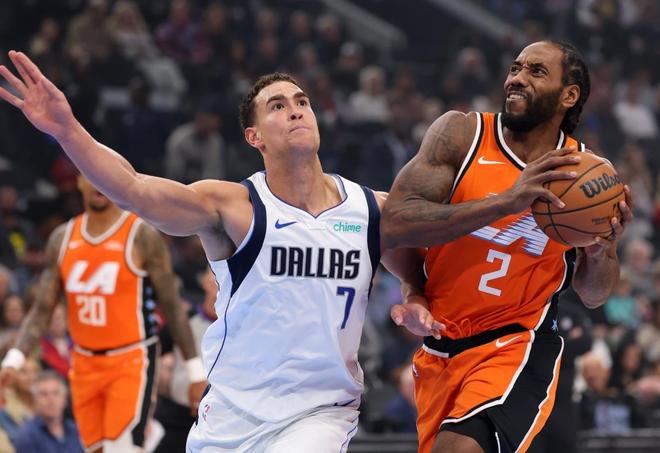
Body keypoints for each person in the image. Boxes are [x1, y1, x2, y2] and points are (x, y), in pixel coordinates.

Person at [0, 51, 437, 452]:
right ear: (254, 136)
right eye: (278, 106)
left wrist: (415, 301)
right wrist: (68, 130)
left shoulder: (369, 208)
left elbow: (416, 274)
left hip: (320, 411)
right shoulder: (234, 207)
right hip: (232, 413)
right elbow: (134, 189)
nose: (295, 110)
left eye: (301, 101)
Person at [381, 40, 633, 453]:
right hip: (441, 346)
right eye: (516, 68)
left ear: (569, 95)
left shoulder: (585, 176)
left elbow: (594, 294)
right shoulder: (462, 134)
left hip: (518, 344)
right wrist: (505, 202)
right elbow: (395, 223)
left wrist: (601, 249)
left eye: (536, 71)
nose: (517, 78)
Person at [0, 173, 207, 452]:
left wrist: (195, 373)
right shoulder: (62, 238)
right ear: (79, 182)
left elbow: (172, 305)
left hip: (130, 359)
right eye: (91, 175)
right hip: (83, 362)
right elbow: (41, 310)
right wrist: (13, 360)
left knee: (122, 447)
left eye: (104, 175)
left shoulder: (140, 235)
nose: (99, 183)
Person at [10, 370, 84, 453]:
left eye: (56, 393)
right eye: (44, 394)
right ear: (35, 399)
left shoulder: (76, 430)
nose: (51, 400)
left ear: (65, 398)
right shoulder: (26, 436)